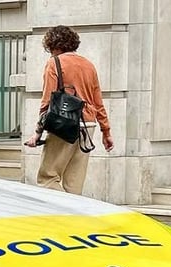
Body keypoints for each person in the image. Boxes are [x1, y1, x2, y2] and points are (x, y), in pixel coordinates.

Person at [24, 25, 114, 195]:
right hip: (88, 125)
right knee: (74, 185)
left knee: (48, 178)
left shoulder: (54, 63)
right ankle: (75, 210)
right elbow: (98, 102)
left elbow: (47, 101)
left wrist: (37, 132)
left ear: (54, 45)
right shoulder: (89, 65)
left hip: (64, 124)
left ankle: (62, 210)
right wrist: (106, 131)